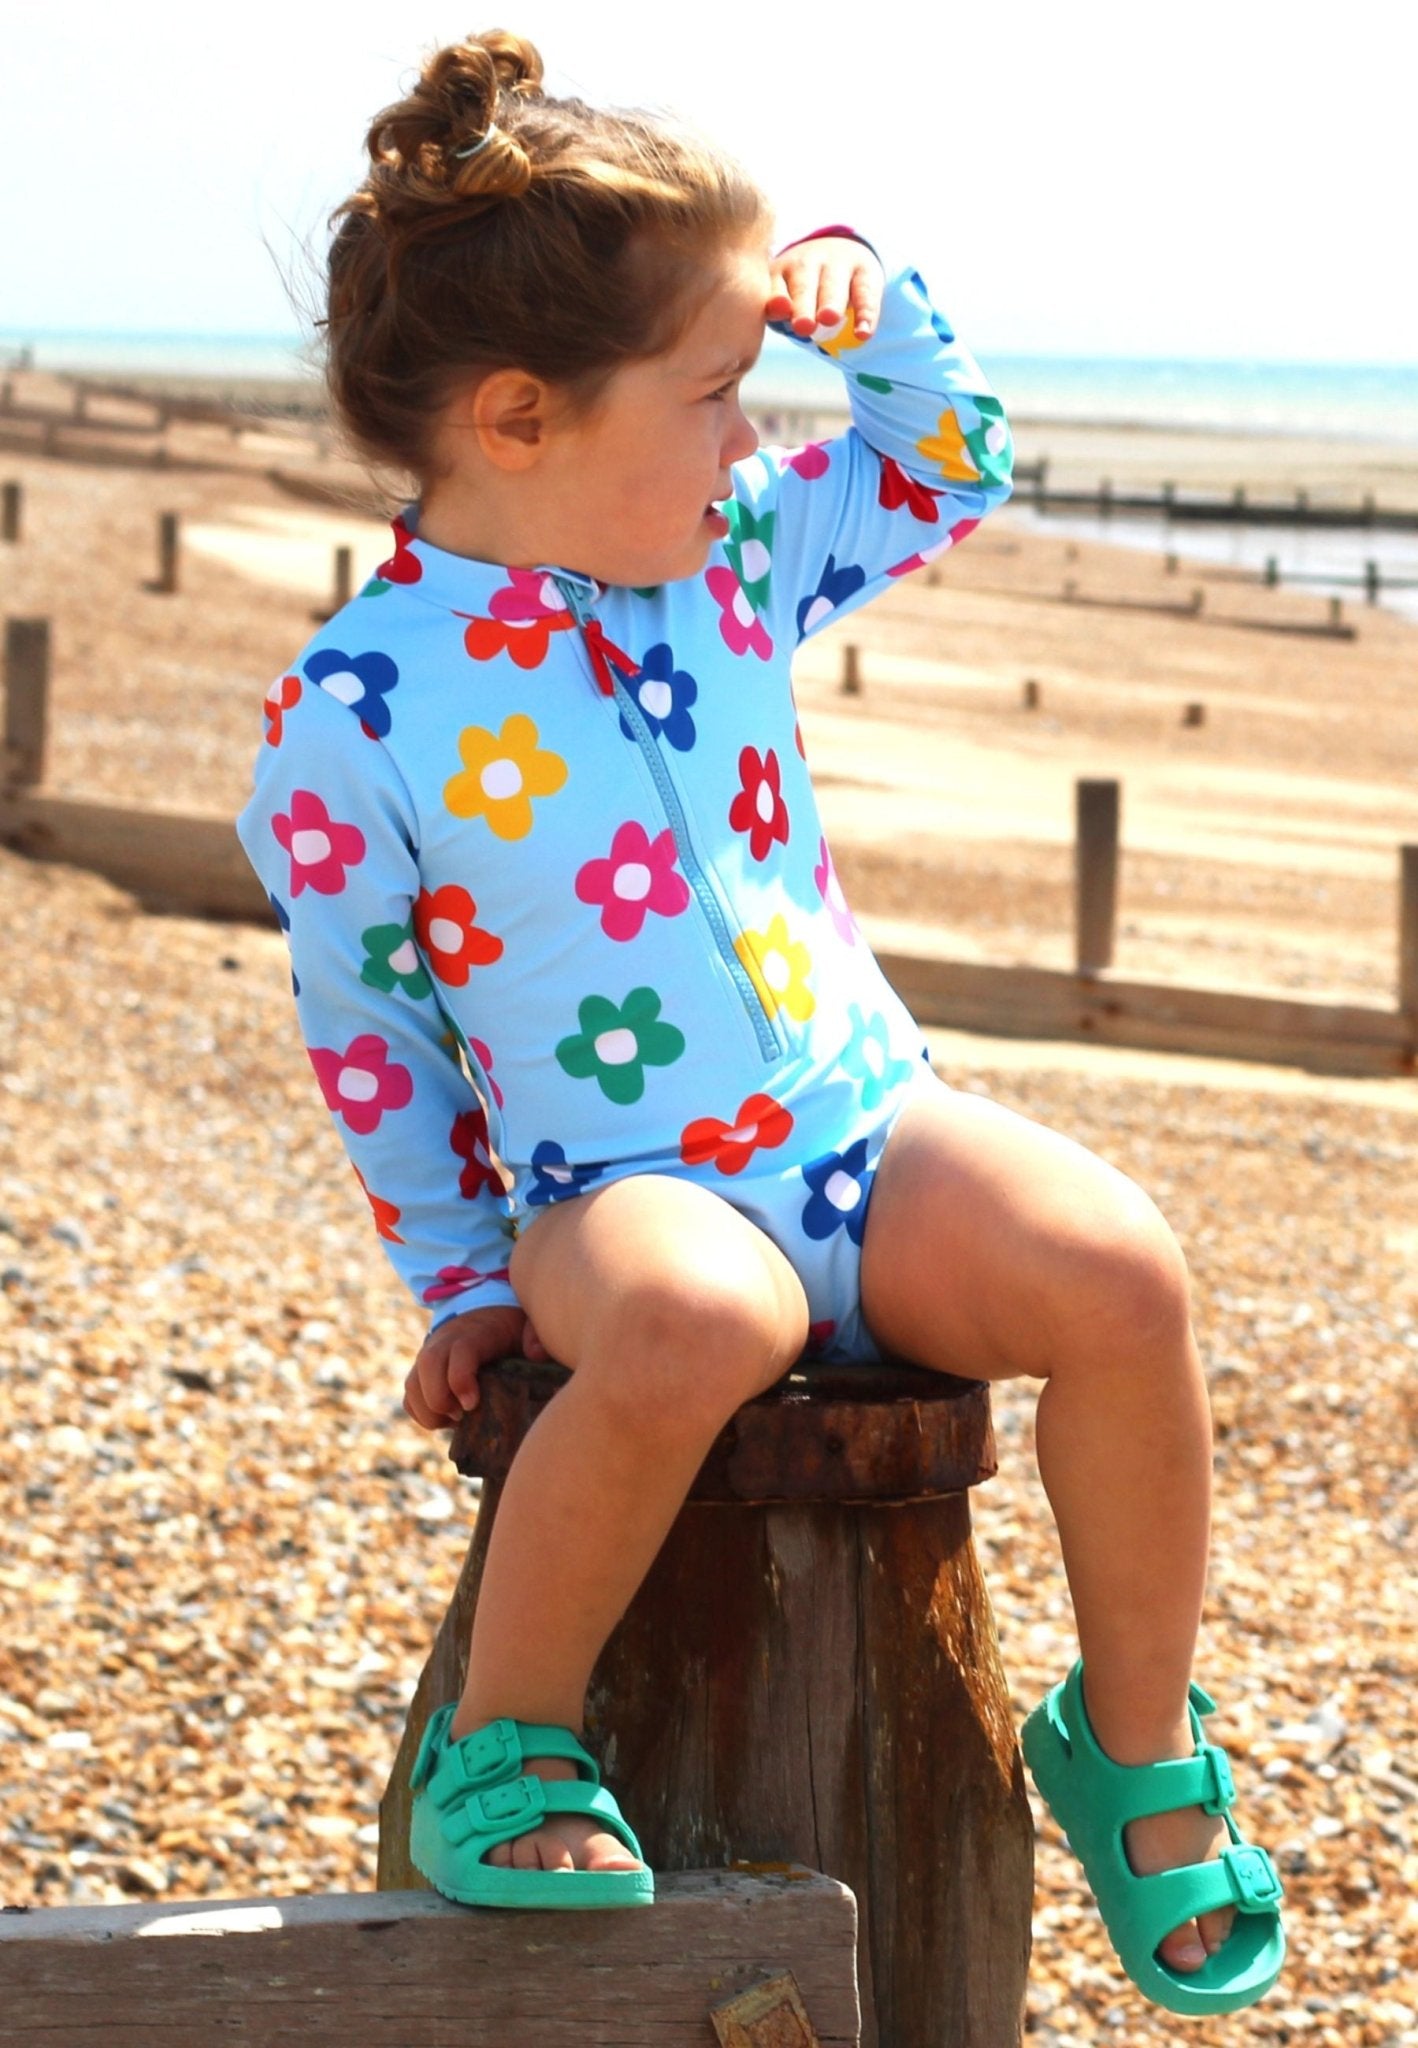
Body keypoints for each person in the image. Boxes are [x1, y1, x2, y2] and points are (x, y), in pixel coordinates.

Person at [236, 28, 1284, 2017]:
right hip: (605, 1186)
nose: (750, 440)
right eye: (719, 395)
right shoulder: (360, 706)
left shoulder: (727, 556)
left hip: (858, 1135)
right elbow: (370, 1022)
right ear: (520, 415)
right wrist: (459, 1277)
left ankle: (1131, 1739)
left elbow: (945, 462)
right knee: (706, 1321)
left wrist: (879, 319)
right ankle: (507, 1734)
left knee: (1121, 1272)